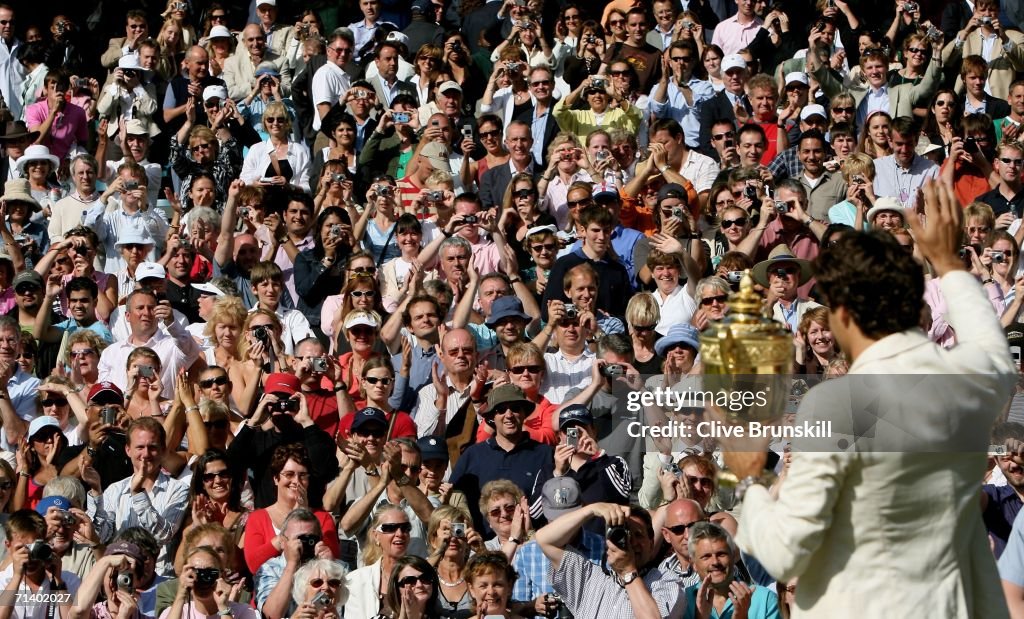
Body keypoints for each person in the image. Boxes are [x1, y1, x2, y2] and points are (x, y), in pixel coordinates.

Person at [720, 181, 1016, 615]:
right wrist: (949, 263)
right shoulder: (971, 377)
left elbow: (785, 552)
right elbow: (995, 353)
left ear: (841, 313)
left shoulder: (838, 403)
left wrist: (749, 481)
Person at [536, 502, 685, 618]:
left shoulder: (666, 581)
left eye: (638, 535)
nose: (631, 542)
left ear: (652, 544)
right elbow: (545, 540)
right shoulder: (589, 578)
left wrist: (628, 571)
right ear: (608, 541)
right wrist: (591, 509)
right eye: (623, 535)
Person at [682, 522, 781, 619]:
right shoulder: (682, 602)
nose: (715, 562)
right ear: (693, 564)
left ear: (733, 557)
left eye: (721, 554)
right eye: (706, 556)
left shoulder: (765, 599)